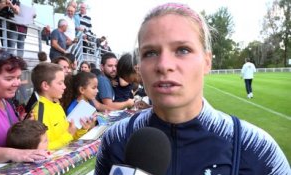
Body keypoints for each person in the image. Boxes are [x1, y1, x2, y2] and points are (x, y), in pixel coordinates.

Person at [95, 3, 291, 175]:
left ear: (207, 62)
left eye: (182, 50)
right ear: (139, 67)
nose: (164, 65)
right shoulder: (116, 139)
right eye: (150, 53)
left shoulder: (256, 148)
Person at [0, 50, 48, 163]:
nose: (17, 83)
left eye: (18, 77)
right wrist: (13, 153)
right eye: (9, 79)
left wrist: (21, 123)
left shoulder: (6, 102)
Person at [31, 62, 94, 150]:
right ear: (45, 85)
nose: (64, 87)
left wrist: (82, 129)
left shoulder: (57, 105)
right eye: (60, 83)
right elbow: (43, 148)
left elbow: (69, 136)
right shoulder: (38, 111)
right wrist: (69, 135)